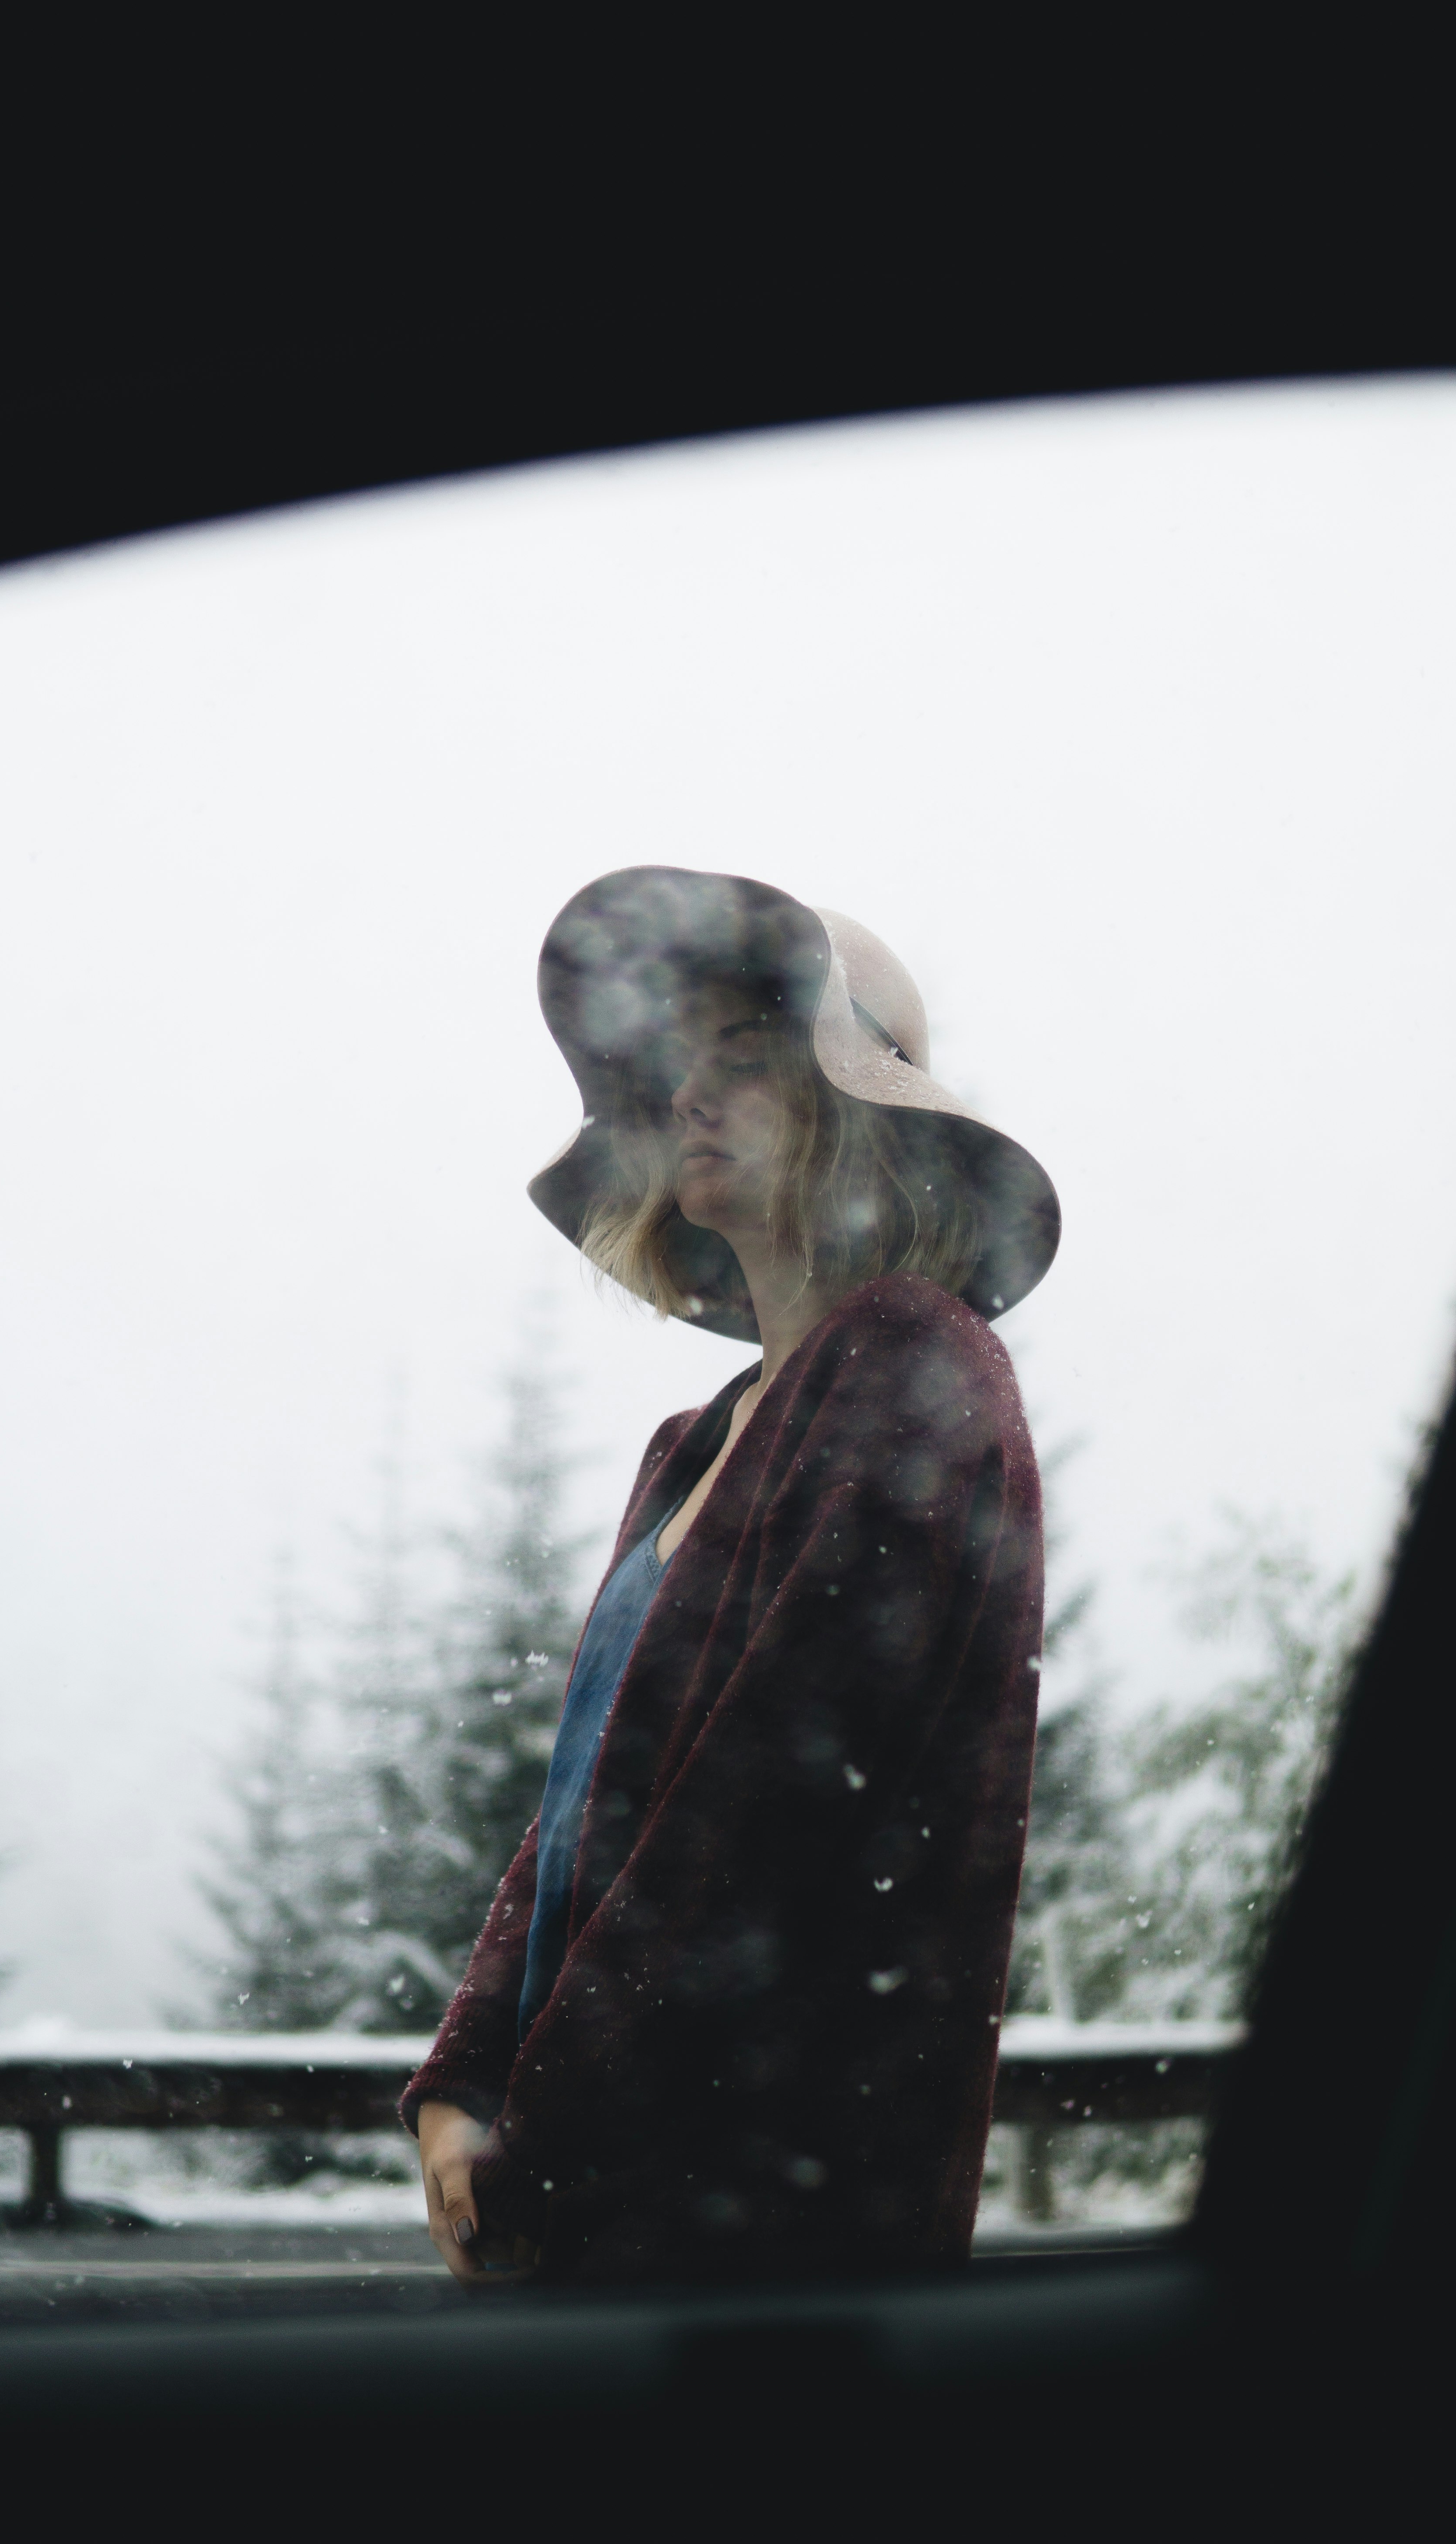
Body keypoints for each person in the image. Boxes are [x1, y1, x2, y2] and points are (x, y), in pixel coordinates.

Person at [402, 866, 1059, 2285]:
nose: (690, 1096)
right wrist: (462, 2090)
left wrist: (543, 2146)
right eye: (678, 1067)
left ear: (859, 1109)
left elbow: (750, 1824)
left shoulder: (912, 1364)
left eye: (747, 1058)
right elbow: (593, 1799)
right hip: (611, 2192)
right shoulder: (690, 1448)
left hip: (769, 2226)